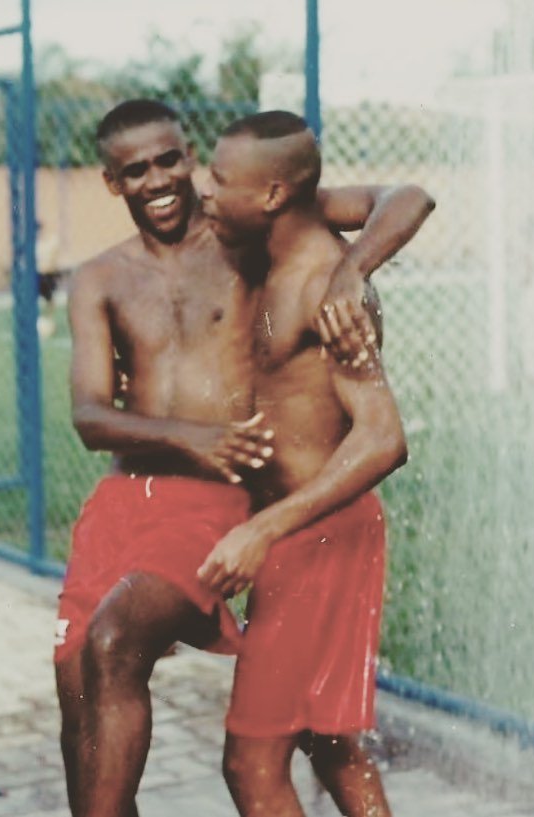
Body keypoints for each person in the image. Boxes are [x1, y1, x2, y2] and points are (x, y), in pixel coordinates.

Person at [56, 98, 434, 817]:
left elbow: (405, 198)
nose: (178, 184)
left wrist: (354, 269)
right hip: (218, 511)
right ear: (112, 181)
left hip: (279, 519)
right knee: (326, 742)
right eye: (135, 169)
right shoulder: (132, 267)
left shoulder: (280, 244)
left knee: (246, 754)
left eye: (182, 162)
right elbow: (86, 412)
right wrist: (197, 443)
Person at [198, 111, 410, 816]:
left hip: (318, 534)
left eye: (219, 179)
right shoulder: (278, 232)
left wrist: (263, 530)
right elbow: (400, 198)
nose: (205, 189)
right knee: (330, 742)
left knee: (251, 761)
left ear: (269, 195)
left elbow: (382, 437)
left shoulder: (324, 283)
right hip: (301, 529)